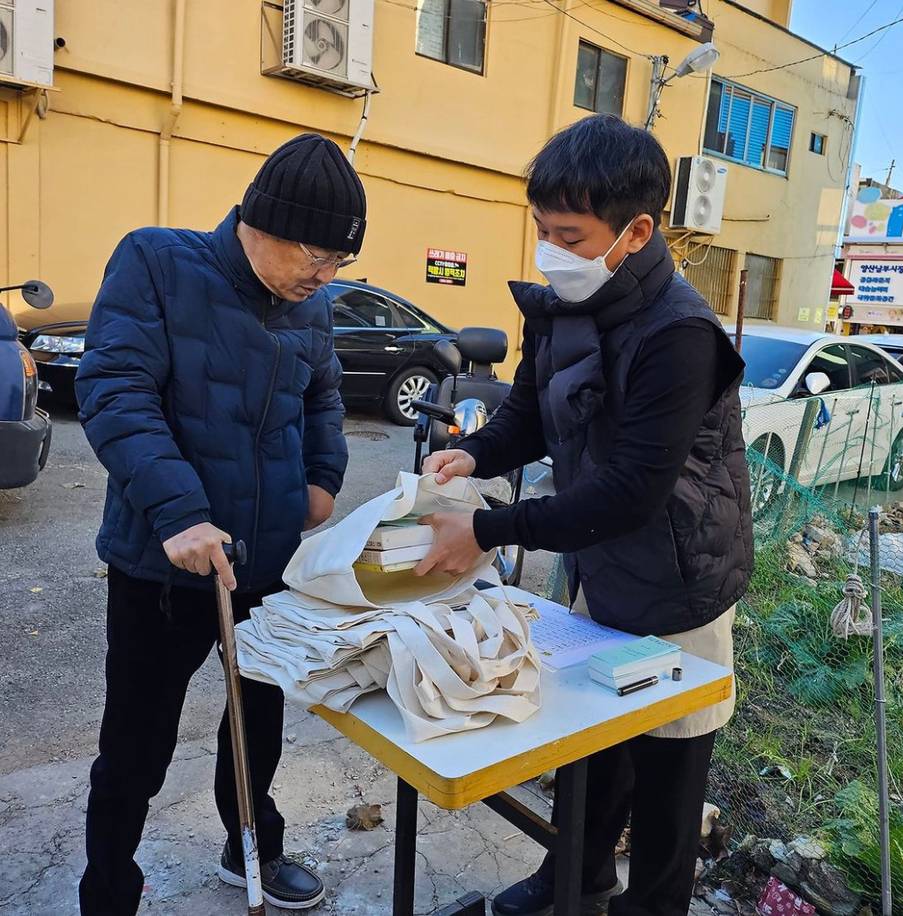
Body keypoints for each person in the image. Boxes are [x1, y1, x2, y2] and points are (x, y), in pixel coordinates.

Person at [416, 114, 753, 916]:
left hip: (680, 578)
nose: (551, 250)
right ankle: (577, 876)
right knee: (591, 745)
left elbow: (635, 490)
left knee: (668, 764)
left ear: (635, 231)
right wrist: (476, 456)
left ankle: (654, 903)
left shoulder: (681, 335)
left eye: (569, 234)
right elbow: (528, 416)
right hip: (598, 559)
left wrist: (488, 530)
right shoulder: (564, 308)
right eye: (542, 230)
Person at [75, 133, 363, 914]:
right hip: (163, 567)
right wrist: (180, 511)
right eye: (317, 254)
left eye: (340, 262)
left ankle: (252, 846)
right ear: (262, 221)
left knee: (257, 721)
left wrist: (320, 480)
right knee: (135, 746)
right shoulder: (157, 264)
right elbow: (115, 388)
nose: (325, 275)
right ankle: (109, 887)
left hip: (264, 566)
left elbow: (325, 398)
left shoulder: (313, 306)